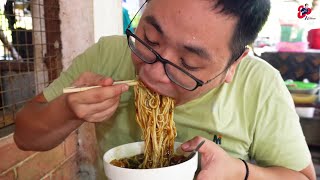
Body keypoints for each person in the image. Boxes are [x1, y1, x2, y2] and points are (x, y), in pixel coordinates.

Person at [14, 0, 316, 179]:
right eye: (149, 39)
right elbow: (25, 135)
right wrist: (68, 110)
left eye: (187, 64)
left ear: (234, 64)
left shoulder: (259, 85)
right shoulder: (109, 55)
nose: (153, 73)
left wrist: (241, 172)